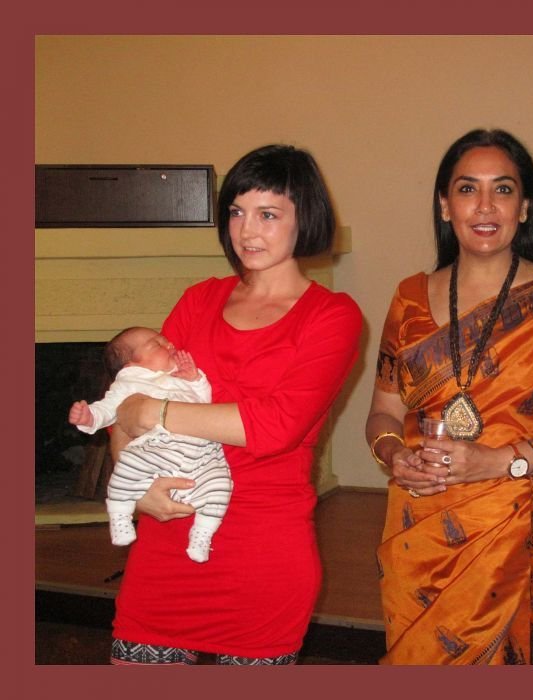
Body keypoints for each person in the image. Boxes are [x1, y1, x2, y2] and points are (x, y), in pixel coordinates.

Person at [365, 129, 533, 665]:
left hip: (519, 536)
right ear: (445, 206)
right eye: (467, 189)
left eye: (503, 189)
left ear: (525, 207)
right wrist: (394, 456)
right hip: (418, 528)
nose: (485, 206)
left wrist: (499, 462)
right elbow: (384, 410)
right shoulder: (409, 299)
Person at [107, 144, 362, 665]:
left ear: (304, 218)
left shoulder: (332, 316)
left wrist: (155, 414)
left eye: (268, 214)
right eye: (237, 212)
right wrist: (133, 484)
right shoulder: (199, 299)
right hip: (166, 540)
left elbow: (277, 425)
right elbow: (130, 398)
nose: (247, 231)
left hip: (262, 552)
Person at [69, 327, 232, 563]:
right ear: (130, 365)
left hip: (202, 451)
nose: (169, 345)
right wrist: (89, 417)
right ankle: (120, 514)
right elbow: (108, 408)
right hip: (158, 447)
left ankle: (202, 534)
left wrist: (195, 380)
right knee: (128, 465)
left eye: (166, 341)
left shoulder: (180, 377)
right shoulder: (129, 383)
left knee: (220, 484)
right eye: (157, 345)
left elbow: (204, 403)